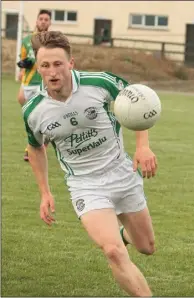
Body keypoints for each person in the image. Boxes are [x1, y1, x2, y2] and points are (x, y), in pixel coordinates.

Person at [23, 31, 157, 297]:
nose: (52, 72)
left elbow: (136, 100)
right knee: (113, 252)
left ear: (71, 63)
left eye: (58, 64)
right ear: (38, 68)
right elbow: (36, 148)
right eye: (45, 66)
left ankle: (120, 233)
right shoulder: (34, 110)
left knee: (147, 246)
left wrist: (142, 146)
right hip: (85, 185)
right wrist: (45, 192)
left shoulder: (99, 83)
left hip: (121, 172)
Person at [18, 9, 51, 161]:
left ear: (49, 22)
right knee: (30, 117)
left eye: (46, 19)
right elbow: (23, 62)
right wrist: (24, 65)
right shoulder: (26, 41)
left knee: (37, 117)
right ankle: (45, 139)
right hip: (28, 83)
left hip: (44, 83)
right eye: (41, 19)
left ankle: (30, 149)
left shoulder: (52, 41)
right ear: (36, 21)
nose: (43, 21)